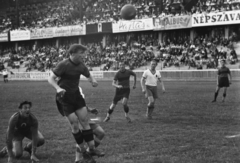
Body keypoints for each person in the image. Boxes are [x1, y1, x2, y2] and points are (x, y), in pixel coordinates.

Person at [48, 44, 104, 162]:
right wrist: (58, 89)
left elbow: (89, 75)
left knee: (84, 121)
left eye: (84, 53)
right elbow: (51, 78)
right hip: (64, 98)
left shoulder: (81, 65)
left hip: (77, 96)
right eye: (81, 53)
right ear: (72, 53)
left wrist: (93, 80)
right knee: (74, 124)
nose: (83, 55)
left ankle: (92, 149)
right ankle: (83, 151)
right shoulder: (63, 64)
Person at [56, 87, 105, 163]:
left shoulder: (77, 87)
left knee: (100, 133)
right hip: (75, 118)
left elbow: (79, 104)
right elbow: (64, 106)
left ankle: (89, 152)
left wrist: (89, 109)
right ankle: (78, 159)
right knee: (82, 139)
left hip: (83, 116)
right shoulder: (63, 89)